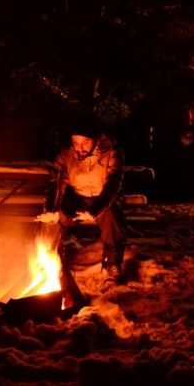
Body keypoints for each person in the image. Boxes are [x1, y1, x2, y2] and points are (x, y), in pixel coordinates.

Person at [49, 119, 127, 277]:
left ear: (96, 140)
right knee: (53, 218)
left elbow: (112, 186)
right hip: (77, 198)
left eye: (85, 142)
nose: (80, 147)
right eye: (75, 142)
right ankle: (51, 258)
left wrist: (94, 211)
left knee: (112, 219)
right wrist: (51, 209)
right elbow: (56, 183)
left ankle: (112, 264)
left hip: (102, 200)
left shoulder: (111, 152)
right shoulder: (67, 154)